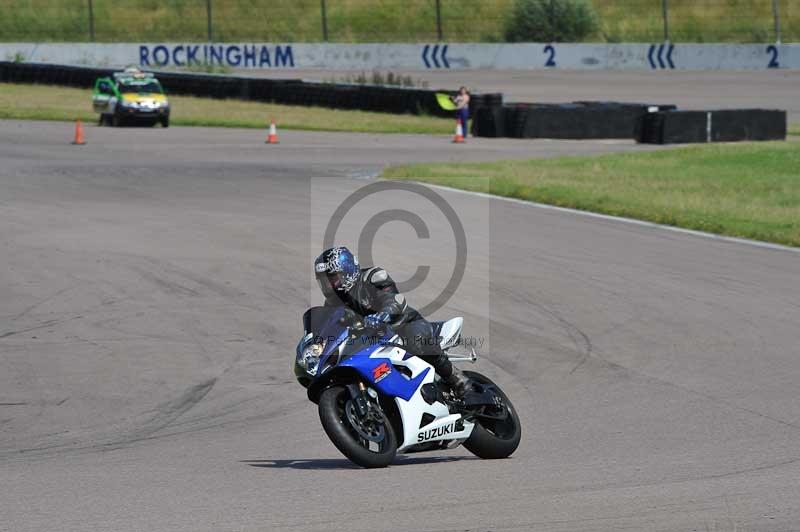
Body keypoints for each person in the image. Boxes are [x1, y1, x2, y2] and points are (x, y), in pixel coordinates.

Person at [314, 246, 471, 397]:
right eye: (324, 281)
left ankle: (457, 379)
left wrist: (383, 315)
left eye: (332, 278)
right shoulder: (332, 304)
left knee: (417, 341)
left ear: (347, 271)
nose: (329, 285)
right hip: (371, 340)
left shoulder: (372, 276)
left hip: (403, 325)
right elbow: (329, 328)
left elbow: (393, 299)